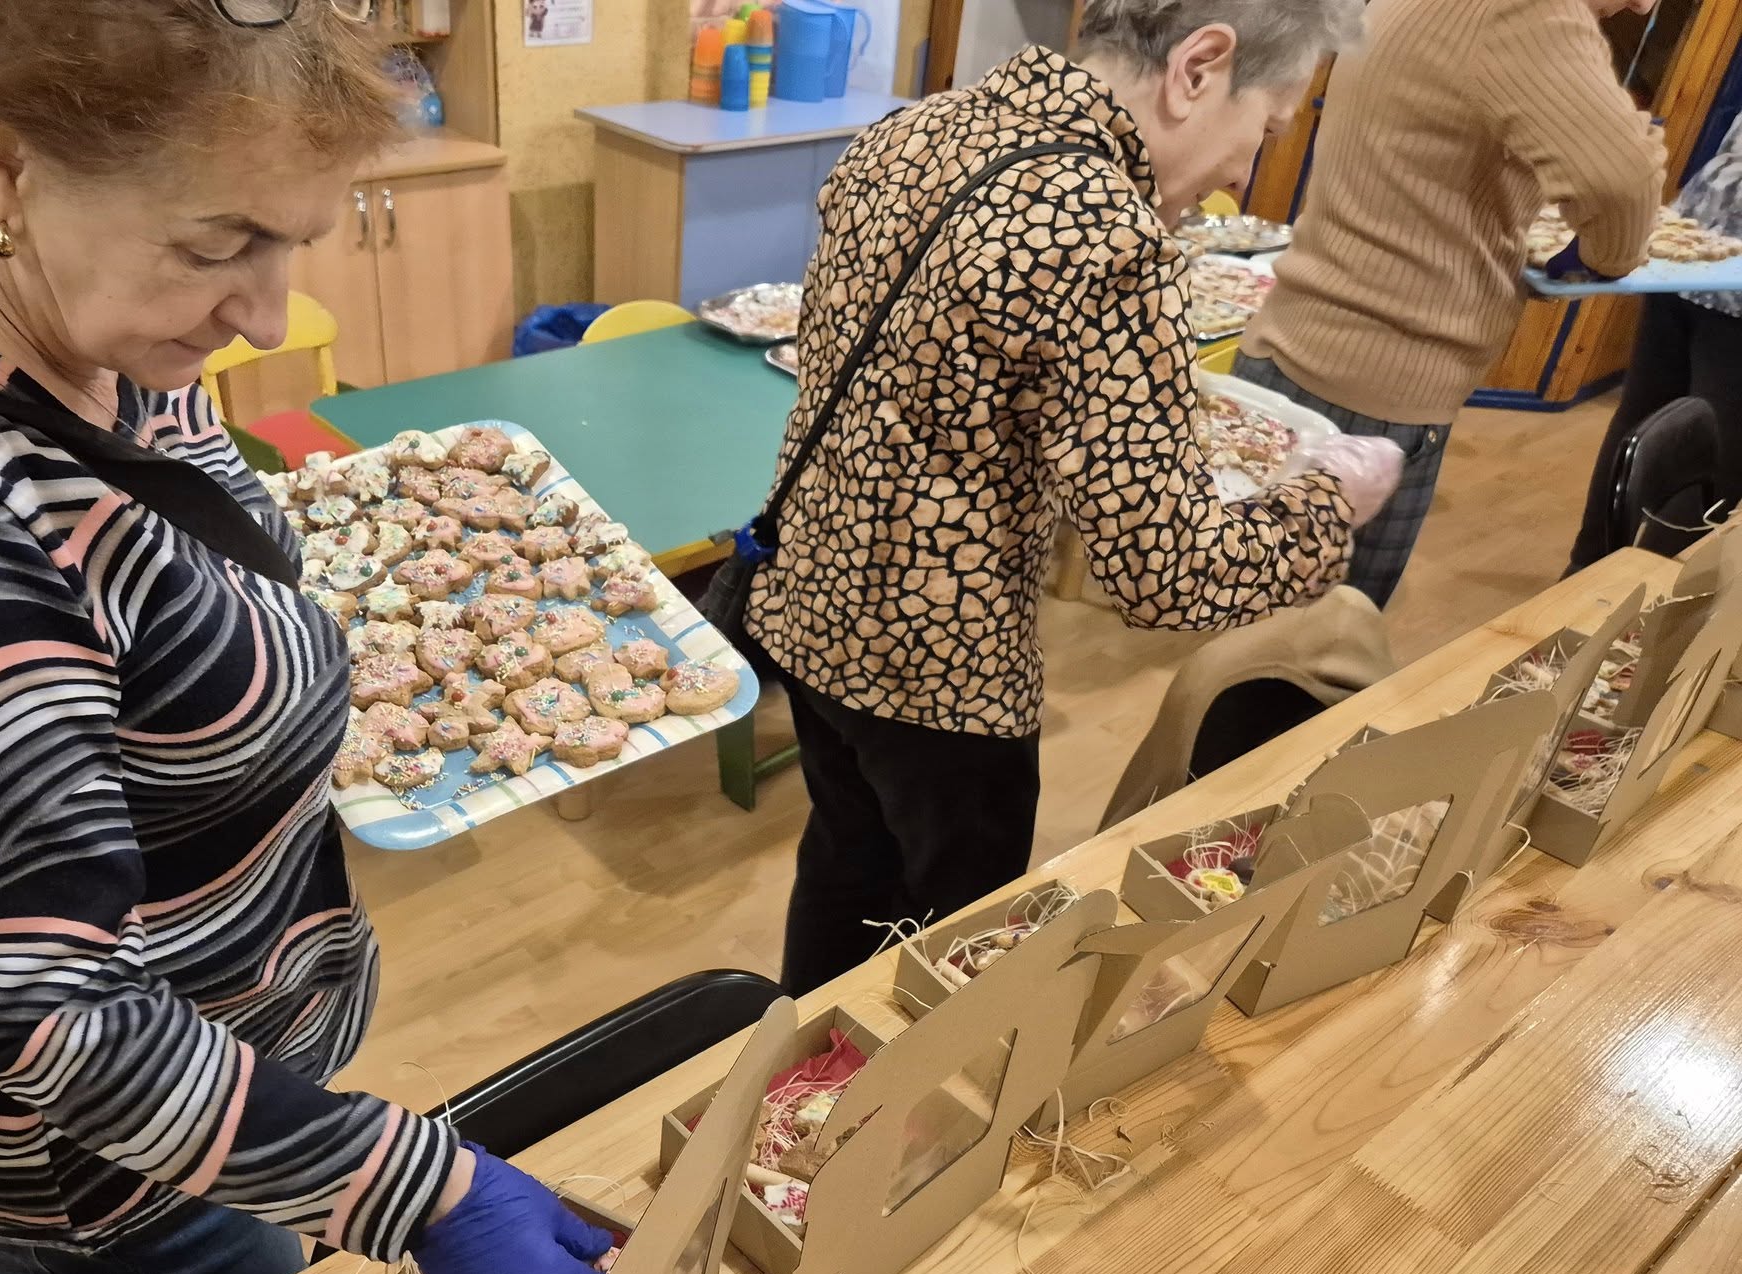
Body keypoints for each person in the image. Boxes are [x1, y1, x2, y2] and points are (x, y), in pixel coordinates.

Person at [0, 0, 608, 1274]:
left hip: (193, 1057)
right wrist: (424, 1190)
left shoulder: (36, 300)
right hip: (115, 1164)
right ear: (6, 167)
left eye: (293, 239)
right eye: (217, 244)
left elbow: (131, 567)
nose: (267, 314)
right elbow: (58, 1018)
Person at [742, 0, 1407, 997]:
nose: (1242, 171)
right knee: (957, 942)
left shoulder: (911, 131)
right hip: (941, 671)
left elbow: (928, 394)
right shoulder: (1103, 233)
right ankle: (901, 1092)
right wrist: (1329, 500)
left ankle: (795, 1070)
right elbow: (1167, 575)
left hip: (811, 603)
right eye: (1265, 127)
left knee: (846, 862)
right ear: (1197, 67)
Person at [1236, 0, 1666, 607]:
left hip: (1299, 345)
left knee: (1252, 617)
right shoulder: (1529, 10)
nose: (1643, 6)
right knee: (1318, 641)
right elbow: (1624, 180)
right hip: (1379, 385)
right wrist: (1606, 256)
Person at [1569, 109, 1742, 569]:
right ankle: (1643, 592)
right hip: (1723, 268)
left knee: (1641, 416)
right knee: (1716, 451)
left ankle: (1585, 575)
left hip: (1696, 241)